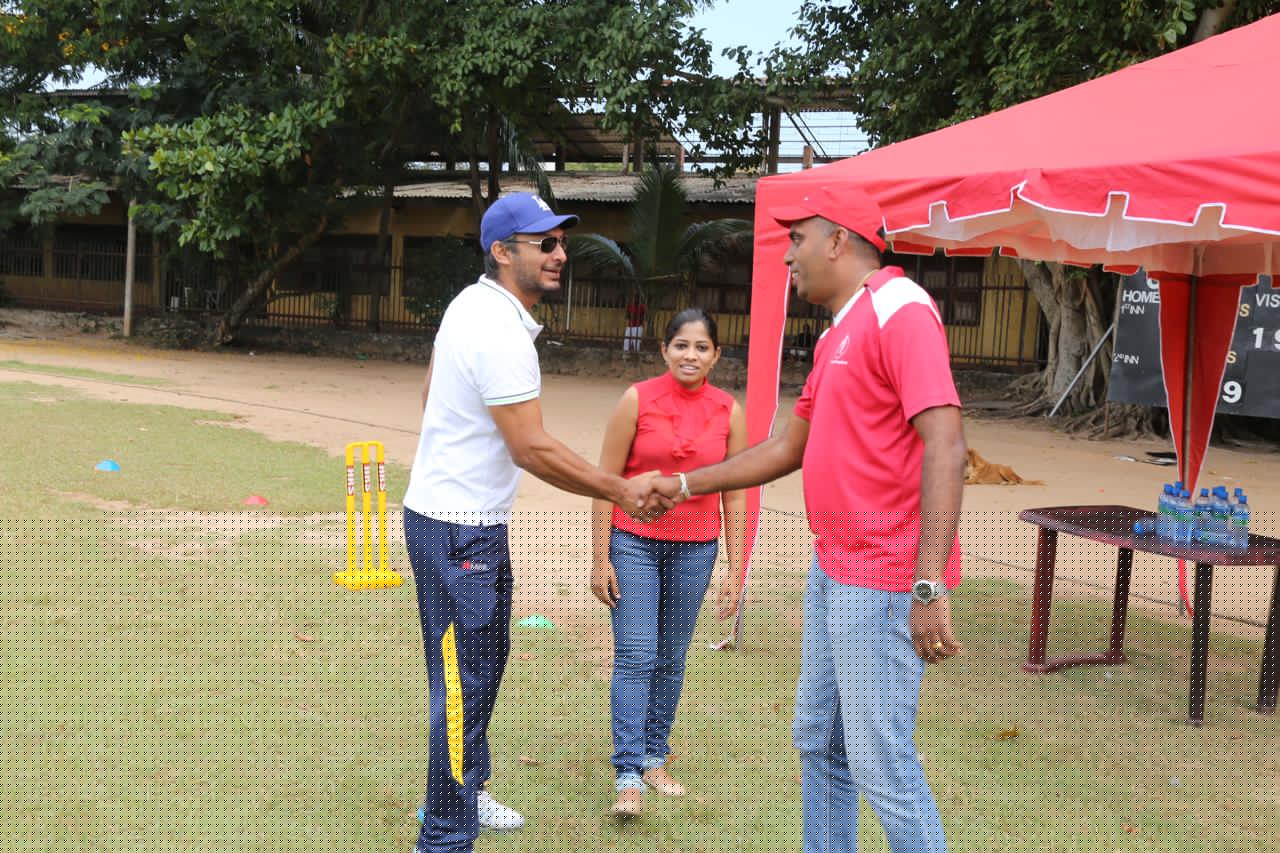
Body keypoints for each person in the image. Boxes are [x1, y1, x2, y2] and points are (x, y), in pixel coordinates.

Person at [649, 185, 967, 853]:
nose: (787, 255)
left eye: (797, 240)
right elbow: (787, 447)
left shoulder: (902, 310)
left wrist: (929, 585)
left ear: (838, 240)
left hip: (881, 579)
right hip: (834, 567)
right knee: (819, 740)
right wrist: (682, 483)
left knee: (880, 762)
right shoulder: (839, 332)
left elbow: (946, 442)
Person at [403, 192, 670, 853]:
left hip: (469, 526)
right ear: (502, 251)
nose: (559, 254)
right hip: (456, 529)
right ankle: (443, 836)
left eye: (560, 242)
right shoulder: (496, 328)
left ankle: (469, 788)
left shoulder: (475, 305)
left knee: (483, 669)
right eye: (543, 243)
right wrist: (621, 490)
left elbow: (433, 385)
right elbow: (533, 446)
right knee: (463, 686)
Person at [590, 308, 748, 817]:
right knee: (636, 653)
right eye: (681, 345)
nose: (691, 355)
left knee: (670, 658)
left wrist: (736, 568)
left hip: (696, 548)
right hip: (633, 541)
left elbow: (736, 493)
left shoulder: (730, 410)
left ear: (716, 356)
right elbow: (605, 483)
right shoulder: (637, 399)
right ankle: (628, 772)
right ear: (664, 350)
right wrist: (599, 558)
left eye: (702, 347)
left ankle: (656, 756)